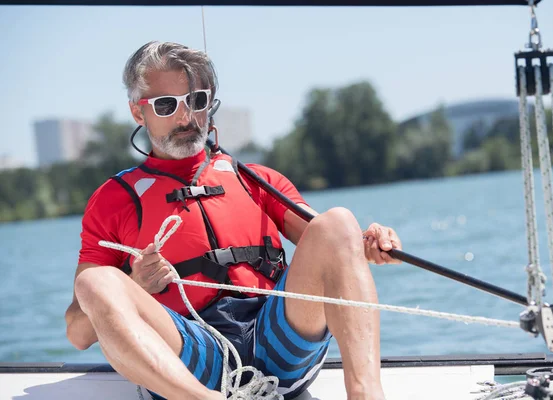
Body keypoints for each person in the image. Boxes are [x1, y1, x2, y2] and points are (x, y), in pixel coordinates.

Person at [65, 40, 402, 400]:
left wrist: (367, 242)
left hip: (278, 346)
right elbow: (79, 333)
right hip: (194, 357)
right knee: (96, 282)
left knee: (339, 221)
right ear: (138, 112)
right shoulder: (113, 201)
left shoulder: (256, 179)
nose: (185, 118)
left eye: (196, 100)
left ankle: (367, 394)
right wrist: (135, 282)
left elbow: (337, 246)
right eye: (166, 105)